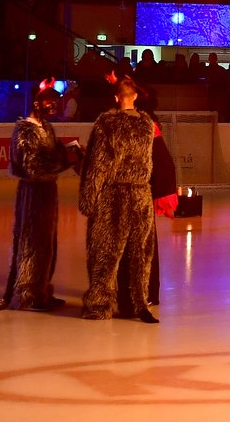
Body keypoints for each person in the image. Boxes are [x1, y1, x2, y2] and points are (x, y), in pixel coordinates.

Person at [0, 78, 78, 313]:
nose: (54, 104)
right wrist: (64, 160)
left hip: (48, 193)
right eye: (49, 100)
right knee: (31, 243)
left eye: (55, 100)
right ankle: (28, 294)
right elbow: (31, 166)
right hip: (33, 195)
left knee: (47, 243)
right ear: (36, 102)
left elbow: (55, 155)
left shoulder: (46, 127)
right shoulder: (24, 130)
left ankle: (41, 289)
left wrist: (72, 154)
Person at [78, 76, 159, 323]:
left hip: (114, 196)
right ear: (134, 96)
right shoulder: (147, 124)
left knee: (106, 252)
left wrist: (88, 197)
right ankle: (139, 303)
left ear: (115, 97)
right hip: (141, 194)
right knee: (139, 255)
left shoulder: (107, 123)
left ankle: (100, 305)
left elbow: (98, 165)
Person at [117, 93, 178, 310]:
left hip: (134, 195)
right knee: (140, 245)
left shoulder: (142, 127)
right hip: (137, 195)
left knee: (138, 245)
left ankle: (143, 292)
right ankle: (142, 291)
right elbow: (164, 164)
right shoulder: (145, 126)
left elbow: (163, 164)